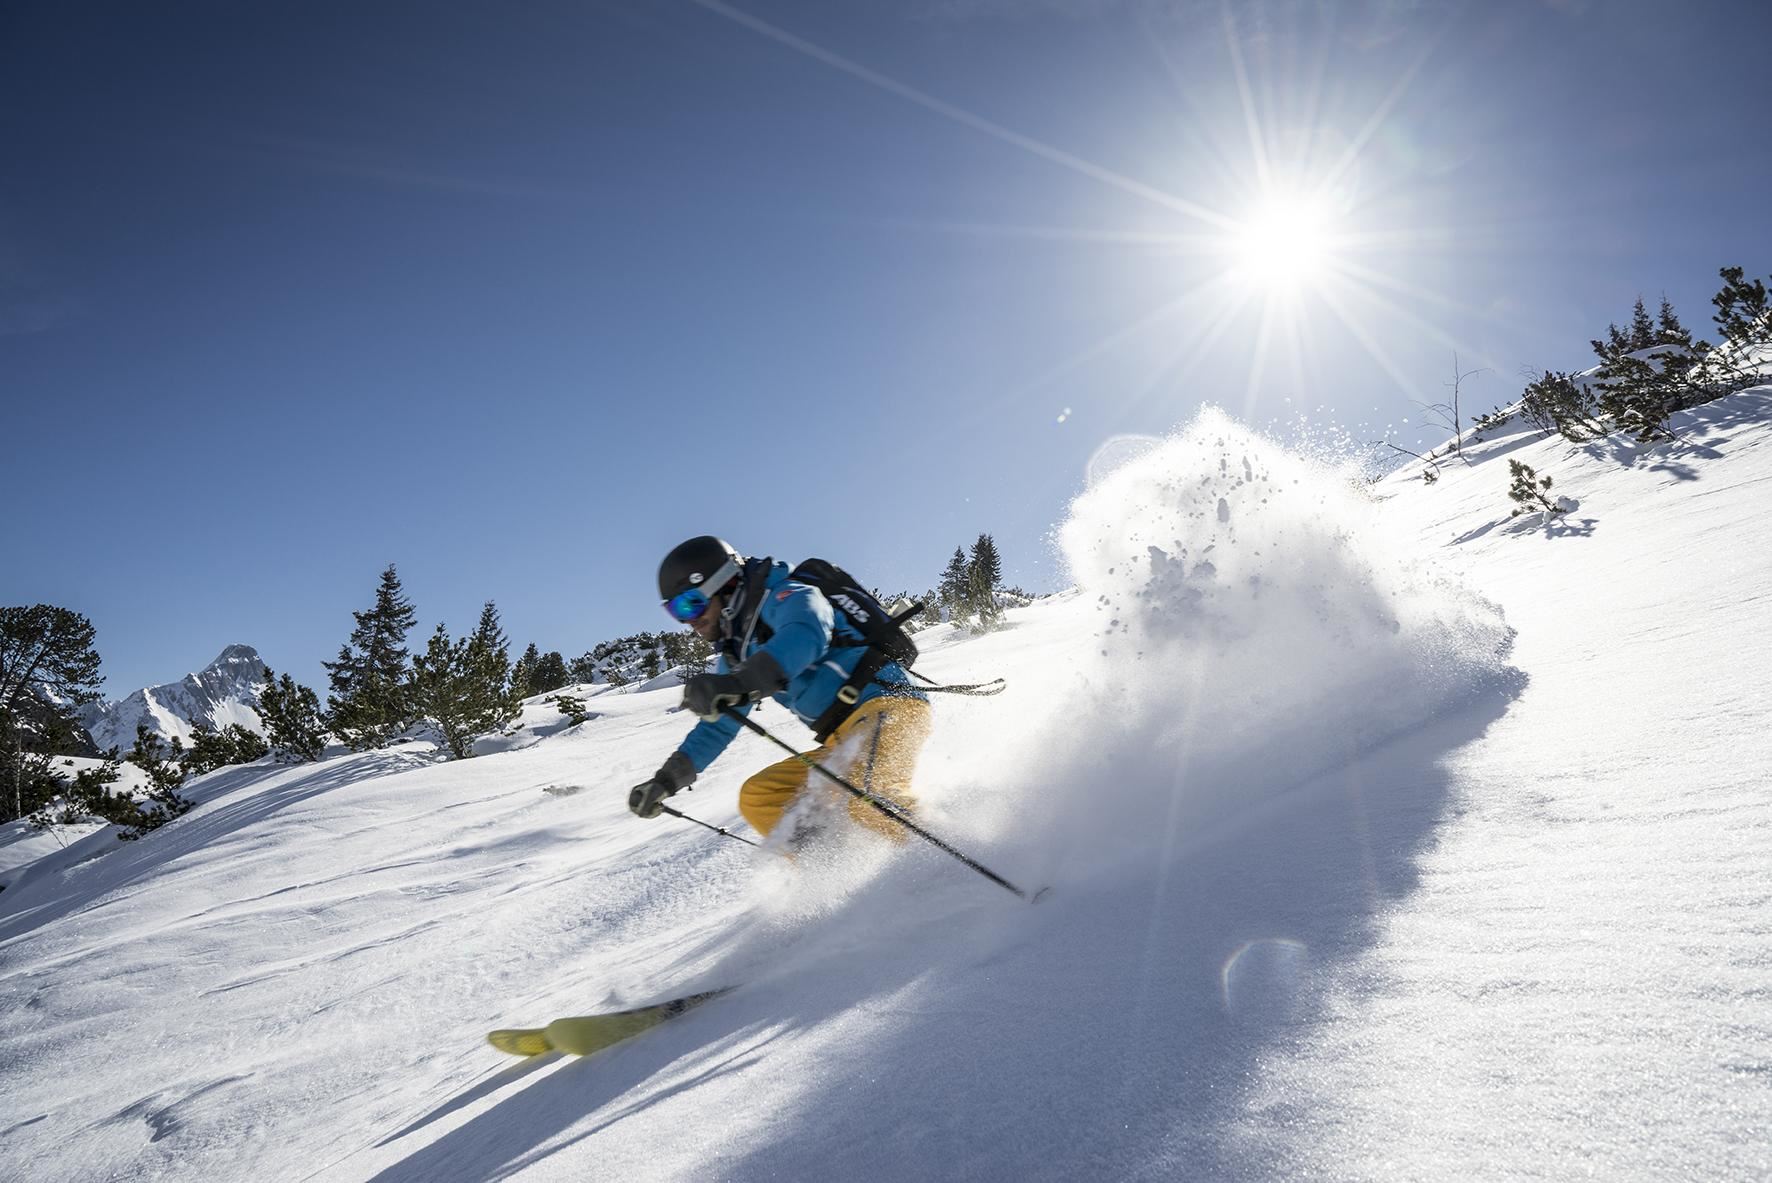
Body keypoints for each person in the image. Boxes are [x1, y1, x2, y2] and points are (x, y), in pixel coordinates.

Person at [628, 536, 931, 843]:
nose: (688, 620)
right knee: (762, 798)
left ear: (725, 585)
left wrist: (737, 684)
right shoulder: (737, 651)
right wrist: (666, 781)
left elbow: (808, 631)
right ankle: (834, 870)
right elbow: (717, 728)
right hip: (841, 739)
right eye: (675, 611)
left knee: (870, 798)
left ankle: (950, 871)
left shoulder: (784, 593)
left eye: (691, 603)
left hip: (887, 706)